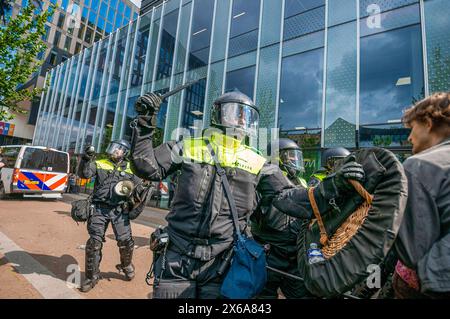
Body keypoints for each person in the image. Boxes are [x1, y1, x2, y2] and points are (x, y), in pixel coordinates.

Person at [130, 90, 365, 299]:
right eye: (235, 112)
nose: (242, 119)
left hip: (222, 261)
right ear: (217, 115)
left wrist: (334, 185)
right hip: (177, 255)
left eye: (247, 115)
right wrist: (145, 123)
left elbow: (289, 197)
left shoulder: (259, 161)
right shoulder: (186, 146)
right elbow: (146, 167)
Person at [392, 92, 450, 299]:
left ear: (427, 123)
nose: (409, 137)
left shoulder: (419, 164)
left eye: (412, 128)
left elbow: (413, 251)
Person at [78, 139, 141, 292]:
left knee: (126, 242)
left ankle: (126, 265)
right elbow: (84, 174)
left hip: (120, 210)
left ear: (124, 153)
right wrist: (86, 159)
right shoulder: (100, 163)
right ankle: (91, 276)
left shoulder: (131, 168)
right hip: (99, 209)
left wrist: (143, 188)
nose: (115, 150)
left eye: (119, 149)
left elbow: (138, 188)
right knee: (94, 243)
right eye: (114, 147)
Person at [250, 138, 310, 298]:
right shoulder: (265, 176)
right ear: (275, 157)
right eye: (288, 156)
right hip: (269, 249)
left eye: (295, 156)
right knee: (263, 294)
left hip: (295, 251)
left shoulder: (301, 182)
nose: (293, 160)